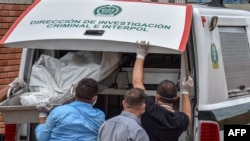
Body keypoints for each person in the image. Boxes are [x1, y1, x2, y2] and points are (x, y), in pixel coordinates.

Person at [132, 41, 194, 141]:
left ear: (157, 96)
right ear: (176, 98)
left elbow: (136, 81)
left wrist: (140, 54)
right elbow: (187, 115)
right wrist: (186, 91)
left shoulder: (150, 109)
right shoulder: (179, 121)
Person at [35, 78, 105, 141]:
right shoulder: (100, 117)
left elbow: (42, 138)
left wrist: (42, 115)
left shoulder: (58, 112)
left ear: (74, 92)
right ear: (94, 99)